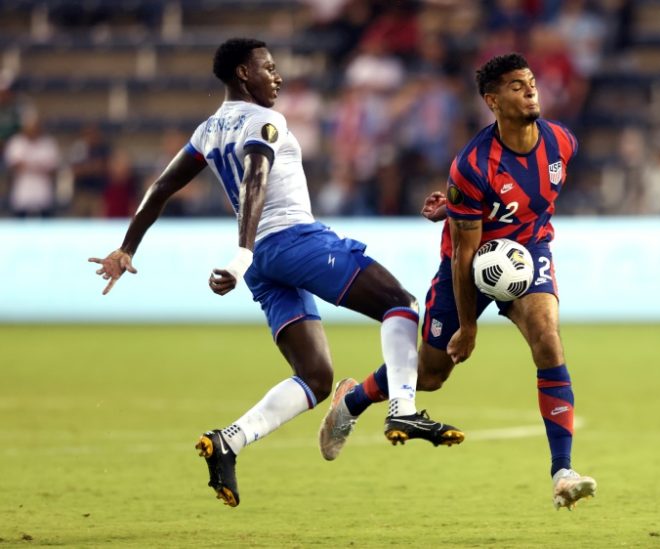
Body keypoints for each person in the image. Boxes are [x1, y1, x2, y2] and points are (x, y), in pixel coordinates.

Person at [89, 38, 462, 508]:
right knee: (401, 303)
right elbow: (256, 177)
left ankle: (229, 441)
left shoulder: (207, 130)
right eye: (268, 68)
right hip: (290, 242)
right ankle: (402, 410)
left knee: (315, 376)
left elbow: (161, 187)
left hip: (264, 264)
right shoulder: (265, 121)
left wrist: (127, 247)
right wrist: (241, 252)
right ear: (244, 74)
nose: (277, 76)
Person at [320, 53, 597, 511]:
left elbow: (526, 199)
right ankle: (353, 398)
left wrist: (460, 207)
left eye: (530, 82)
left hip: (527, 256)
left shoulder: (562, 142)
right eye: (515, 85)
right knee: (430, 375)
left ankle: (562, 472)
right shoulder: (471, 164)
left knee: (548, 341)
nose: (530, 90)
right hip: (465, 271)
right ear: (492, 100)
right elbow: (465, 255)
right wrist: (468, 328)